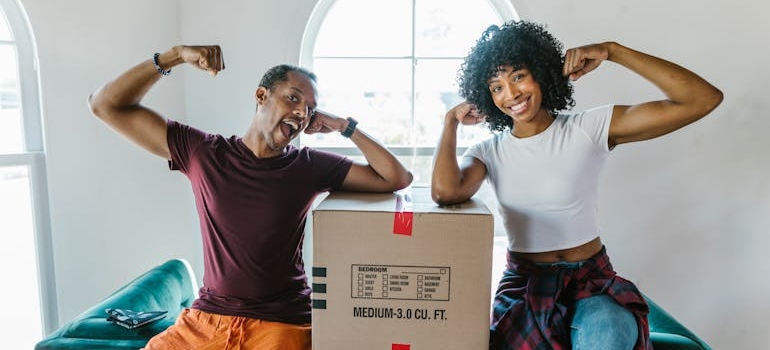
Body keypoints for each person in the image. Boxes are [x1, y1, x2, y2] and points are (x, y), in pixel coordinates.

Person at [88, 45, 412, 349]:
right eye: (293, 99)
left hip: (282, 323)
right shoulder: (204, 153)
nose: (302, 113)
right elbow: (105, 105)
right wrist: (174, 56)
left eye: (310, 109)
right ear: (262, 95)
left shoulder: (308, 166)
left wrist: (344, 126)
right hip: (207, 321)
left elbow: (396, 177)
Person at [431, 21, 722, 350]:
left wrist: (614, 51)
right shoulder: (487, 151)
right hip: (526, 285)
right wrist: (450, 122)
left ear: (539, 71)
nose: (510, 94)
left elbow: (700, 100)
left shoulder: (589, 128)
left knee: (610, 334)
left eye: (517, 76)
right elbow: (445, 191)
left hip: (591, 280)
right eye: (496, 86)